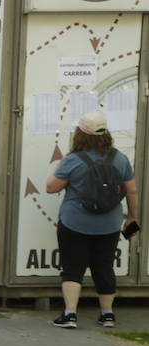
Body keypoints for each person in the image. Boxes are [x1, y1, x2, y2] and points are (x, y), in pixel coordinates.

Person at [46, 109, 138, 328]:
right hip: (108, 224)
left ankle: (70, 315)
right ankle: (107, 314)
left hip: (74, 222)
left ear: (80, 134)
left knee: (72, 266)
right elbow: (131, 191)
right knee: (104, 267)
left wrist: (62, 164)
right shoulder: (120, 158)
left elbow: (51, 188)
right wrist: (132, 217)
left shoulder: (74, 159)